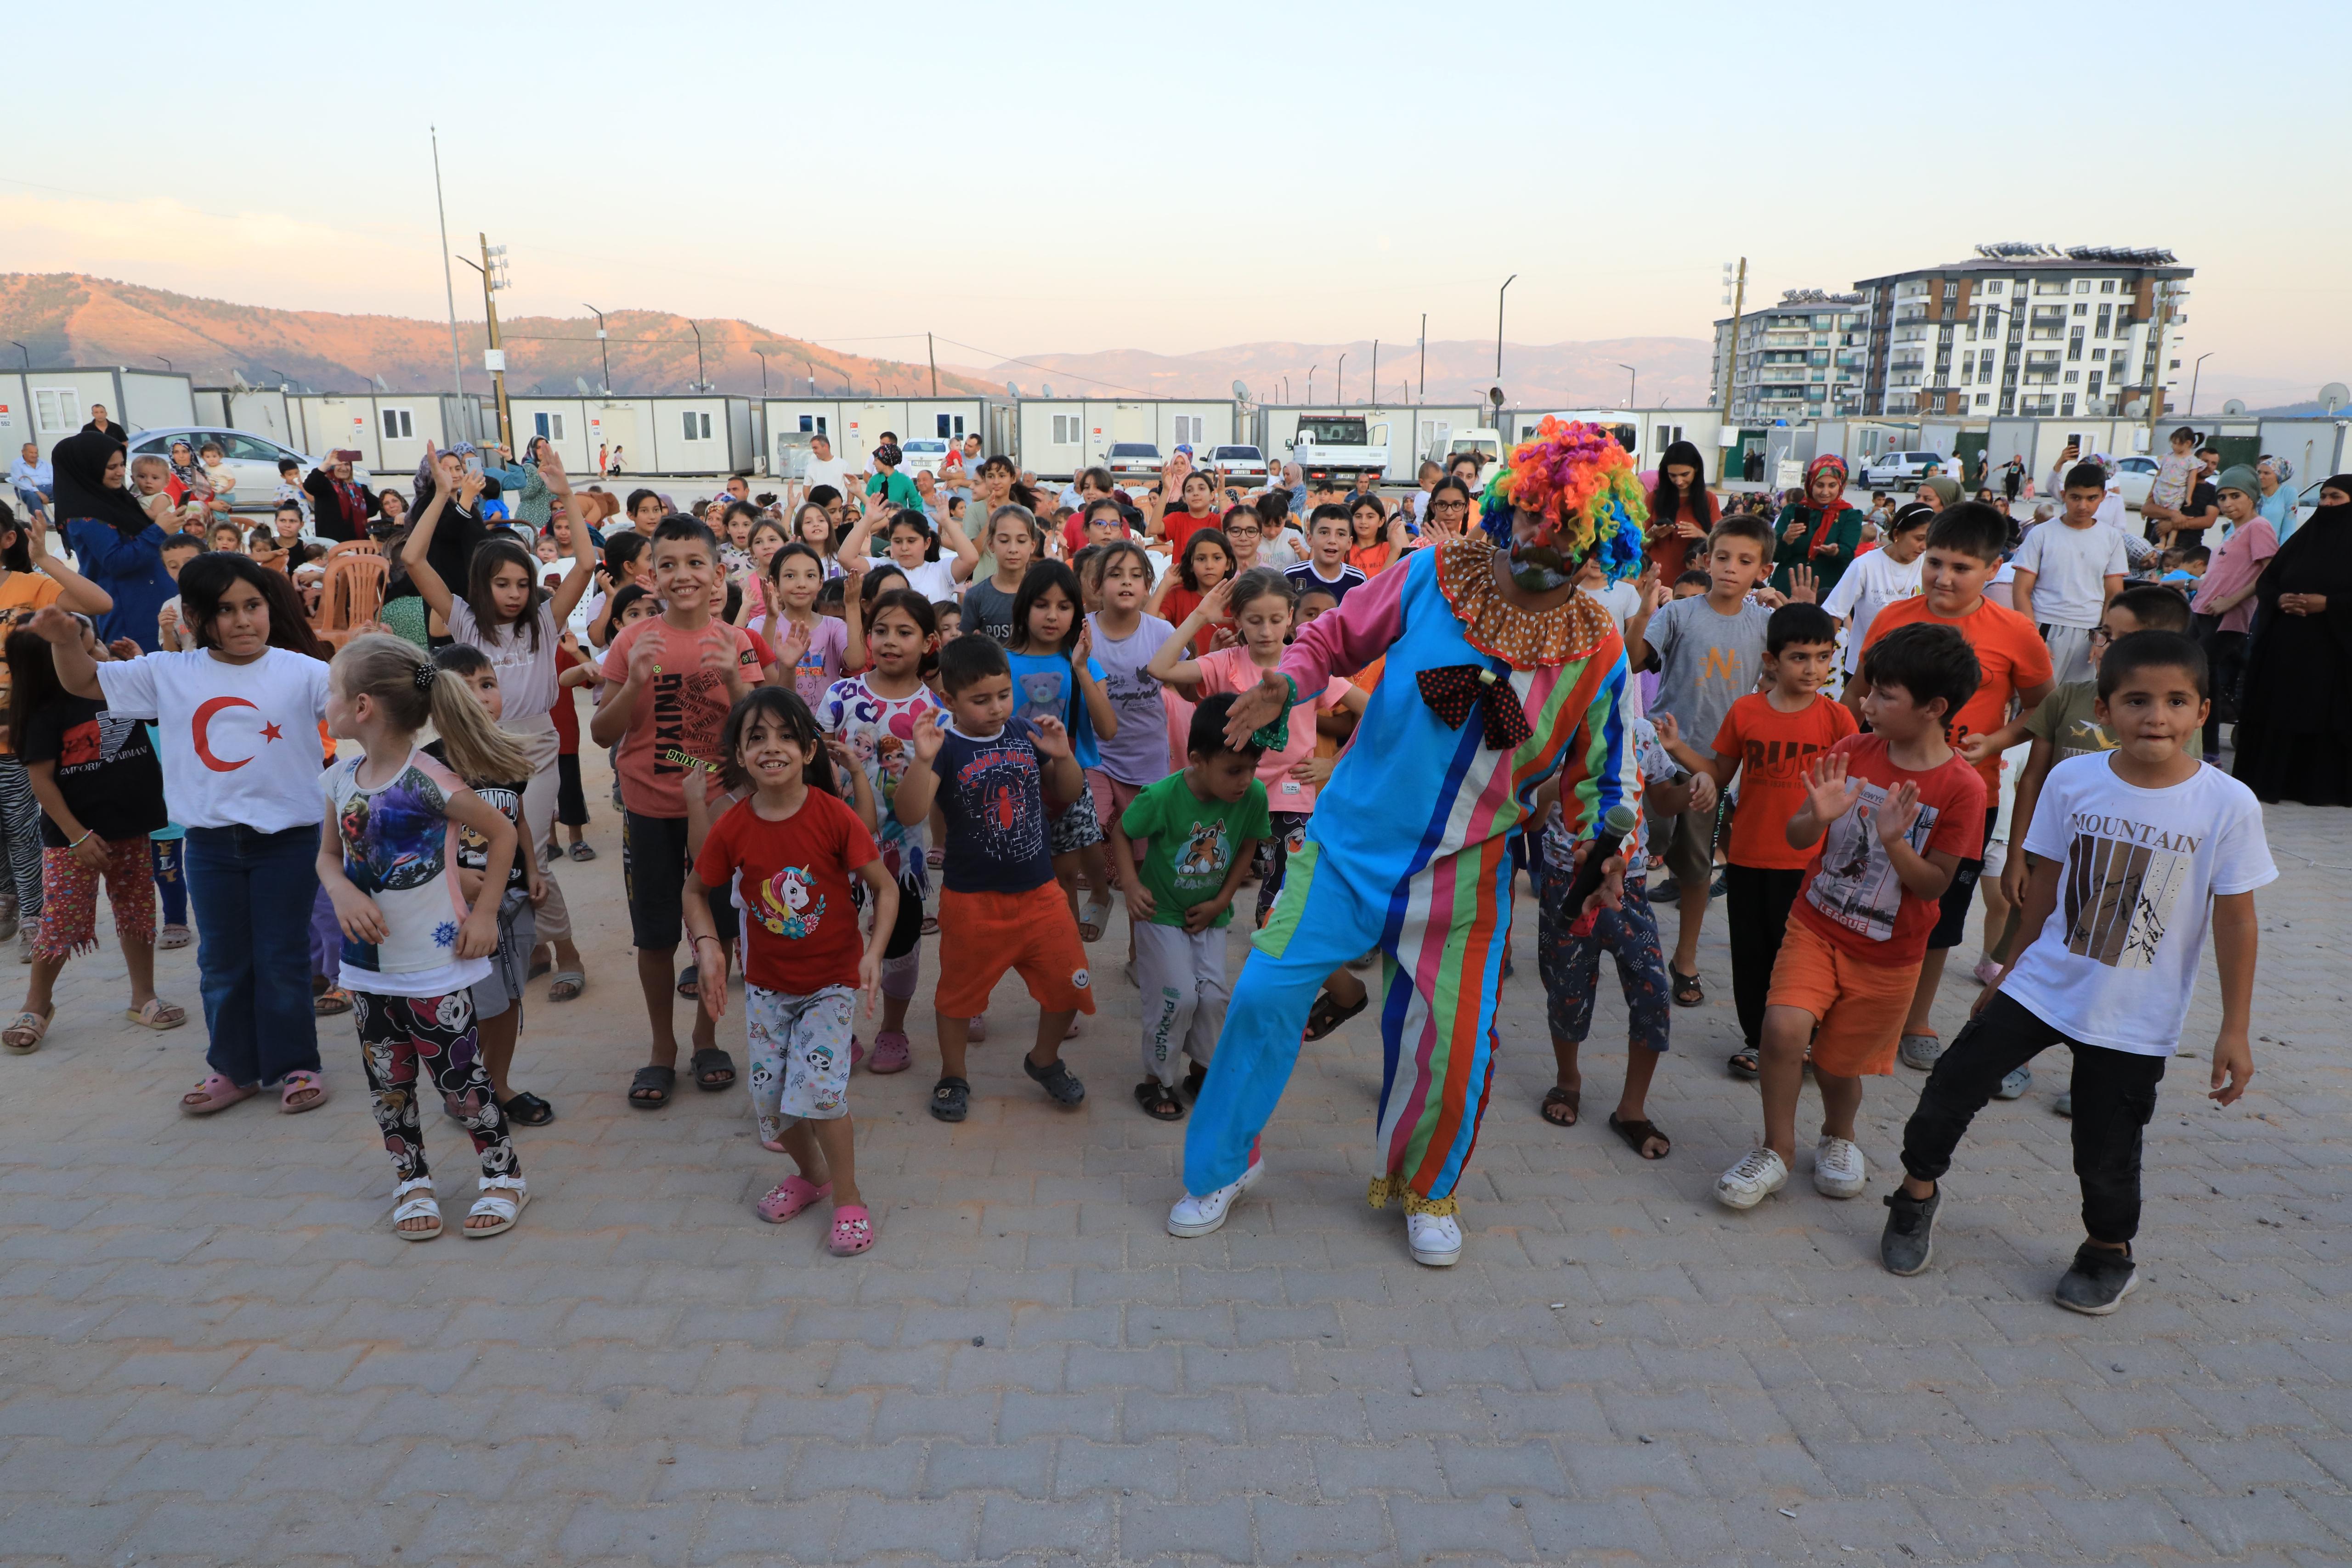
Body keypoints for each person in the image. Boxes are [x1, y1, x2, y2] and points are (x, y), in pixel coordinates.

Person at [1168, 417, 1642, 1268]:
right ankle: (1222, 1165)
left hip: (1467, 880)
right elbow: (1332, 639)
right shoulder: (1431, 573)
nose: (1542, 539)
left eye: (1566, 532)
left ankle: (1426, 1187)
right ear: (1510, 506)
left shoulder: (1597, 646)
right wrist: (1288, 682)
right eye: (1533, 516)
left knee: (1456, 1040)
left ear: (1597, 544)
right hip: (1345, 849)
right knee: (1264, 994)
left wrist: (1612, 852)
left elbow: (1603, 778)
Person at [1883, 631, 2270, 1314]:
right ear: (2104, 708)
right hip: (2041, 983)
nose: (2157, 716)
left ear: (2203, 711)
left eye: (2177, 701)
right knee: (1950, 1086)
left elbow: (2236, 920)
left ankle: (2107, 1251)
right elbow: (2043, 892)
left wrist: (2235, 1028)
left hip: (2134, 1012)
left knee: (2106, 1145)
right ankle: (1915, 1195)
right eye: (2138, 700)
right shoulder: (2073, 779)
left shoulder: (2227, 803)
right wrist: (2004, 972)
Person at [35, 558, 333, 1114]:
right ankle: (234, 1069)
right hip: (212, 848)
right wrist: (63, 640)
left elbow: (362, 712)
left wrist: (381, 663)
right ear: (194, 617)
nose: (244, 621)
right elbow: (83, 679)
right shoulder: (169, 672)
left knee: (282, 956)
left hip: (288, 841)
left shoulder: (304, 671)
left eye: (253, 606)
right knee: (221, 960)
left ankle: (296, 1064)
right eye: (226, 610)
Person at [1716, 622, 1985, 1210]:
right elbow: (1796, 837)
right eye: (1867, 690)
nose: (1865, 704)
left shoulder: (1961, 788)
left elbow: (1935, 884)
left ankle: (1839, 1137)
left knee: (1839, 1066)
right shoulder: (1849, 752)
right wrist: (1815, 815)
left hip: (1888, 955)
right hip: (1814, 926)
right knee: (1782, 1029)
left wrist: (1894, 842)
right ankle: (1776, 1150)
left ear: (1934, 708)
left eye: (1884, 695)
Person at [316, 634, 529, 1239]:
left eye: (332, 691)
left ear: (362, 707)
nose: (323, 702)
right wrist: (342, 890)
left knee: (461, 1081)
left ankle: (504, 1174)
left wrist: (486, 913)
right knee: (389, 1082)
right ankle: (411, 1179)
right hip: (366, 969)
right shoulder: (338, 778)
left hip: (434, 966)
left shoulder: (430, 779)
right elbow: (328, 859)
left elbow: (503, 832)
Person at [684, 687, 895, 1256]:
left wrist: (872, 953)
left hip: (830, 985)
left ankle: (848, 1197)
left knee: (821, 1097)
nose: (770, 747)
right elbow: (695, 891)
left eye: (784, 736)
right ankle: (813, 1177)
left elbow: (884, 886)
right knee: (772, 1102)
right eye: (756, 738)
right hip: (766, 989)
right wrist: (707, 945)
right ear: (739, 754)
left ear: (807, 751)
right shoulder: (732, 826)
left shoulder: (833, 816)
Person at [1851, 503, 2052, 1072]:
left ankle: (1915, 1019)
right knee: (1864, 894)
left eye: (1960, 567)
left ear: (1993, 569)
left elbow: (2043, 709)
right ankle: (1857, 1008)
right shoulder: (1893, 617)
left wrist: (1996, 741)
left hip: (1967, 796)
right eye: (1933, 562)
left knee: (1937, 913)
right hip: (1880, 786)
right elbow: (1857, 696)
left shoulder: (2015, 631)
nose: (1942, 577)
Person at [1965, 585, 2197, 1055]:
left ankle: (2095, 1060)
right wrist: (2016, 858)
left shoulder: (2171, 723)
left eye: (2117, 639)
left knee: (2104, 969)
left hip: (2120, 875)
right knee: (2022, 957)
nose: (2101, 646)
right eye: (2103, 634)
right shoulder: (2070, 695)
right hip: (2046, 863)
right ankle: (2008, 1054)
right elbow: (2032, 779)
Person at [589, 516, 769, 1108]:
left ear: (718, 573)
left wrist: (733, 683)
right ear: (652, 575)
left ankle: (706, 1038)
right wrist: (634, 680)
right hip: (648, 808)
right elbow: (600, 733)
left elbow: (758, 728)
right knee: (656, 935)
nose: (683, 575)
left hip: (720, 811)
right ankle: (662, 1048)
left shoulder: (735, 642)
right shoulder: (631, 641)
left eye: (696, 563)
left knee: (718, 927)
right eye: (668, 565)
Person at [887, 634, 1096, 1123]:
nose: (997, 708)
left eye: (1003, 695)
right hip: (971, 900)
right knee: (958, 998)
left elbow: (1069, 793)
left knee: (1070, 983)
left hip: (1041, 893)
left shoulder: (1025, 731)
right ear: (949, 700)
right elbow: (910, 811)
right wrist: (920, 759)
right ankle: (953, 1075)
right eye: (980, 700)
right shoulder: (943, 745)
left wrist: (1063, 756)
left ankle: (1044, 1060)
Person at [1659, 604, 1859, 1078]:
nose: (1812, 669)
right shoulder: (1745, 712)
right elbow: (1719, 774)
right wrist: (1677, 749)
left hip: (1812, 863)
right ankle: (1758, 1042)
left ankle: (1806, 1041)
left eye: (1822, 657)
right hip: (1748, 858)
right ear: (1771, 661)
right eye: (1798, 658)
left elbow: (1858, 788)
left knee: (1802, 959)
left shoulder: (1837, 720)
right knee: (1751, 955)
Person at [1149, 568, 1364, 932]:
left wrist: (1335, 763)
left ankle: (1274, 943)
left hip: (1291, 791)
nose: (1266, 631)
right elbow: (1159, 668)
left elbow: (1372, 708)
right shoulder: (1225, 663)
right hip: (1231, 793)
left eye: (1276, 620)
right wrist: (1201, 614)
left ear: (1291, 618)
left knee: (1282, 888)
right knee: (1210, 871)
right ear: (1238, 620)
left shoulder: (1308, 667)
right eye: (1255, 620)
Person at [0, 620, 178, 1053]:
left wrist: (134, 663)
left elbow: (162, 706)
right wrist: (78, 837)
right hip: (73, 840)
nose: (98, 652)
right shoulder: (46, 711)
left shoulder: (121, 692)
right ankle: (36, 1005)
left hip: (130, 827)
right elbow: (41, 781)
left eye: (94, 643)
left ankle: (144, 997)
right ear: (57, 661)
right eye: (87, 647)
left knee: (137, 910)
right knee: (61, 920)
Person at [1633, 513, 1779, 1008]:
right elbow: (1633, 660)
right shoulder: (1678, 615)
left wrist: (1798, 615)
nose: (1730, 569)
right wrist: (1639, 608)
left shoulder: (1763, 624)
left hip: (1714, 768)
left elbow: (1790, 679)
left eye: (1744, 561)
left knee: (1696, 870)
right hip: (1658, 754)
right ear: (1704, 560)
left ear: (1763, 569)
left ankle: (1685, 959)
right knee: (1636, 853)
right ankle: (1625, 944)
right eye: (1721, 558)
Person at [1533, 708, 1693, 1157]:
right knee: (1565, 985)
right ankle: (1567, 1081)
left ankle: (1631, 1108)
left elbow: (1662, 803)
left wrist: (1697, 791)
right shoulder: (1550, 727)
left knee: (1652, 990)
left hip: (1630, 883)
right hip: (1565, 878)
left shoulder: (1639, 734)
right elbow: (1527, 816)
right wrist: (1555, 781)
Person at [1108, 692, 1268, 1122]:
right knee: (1176, 998)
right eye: (1235, 770)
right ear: (1197, 760)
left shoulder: (1252, 796)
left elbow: (1247, 846)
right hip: (1160, 913)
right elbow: (1122, 832)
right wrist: (1128, 884)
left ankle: (1201, 1071)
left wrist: (1221, 901)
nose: (1246, 780)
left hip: (1210, 916)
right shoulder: (1161, 796)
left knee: (1214, 997)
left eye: (1253, 768)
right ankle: (1155, 1078)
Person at [815, 589, 947, 1077]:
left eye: (905, 632)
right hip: (836, 849)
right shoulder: (841, 695)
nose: (890, 642)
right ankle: (837, 1028)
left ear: (929, 641)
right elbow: (816, 764)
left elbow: (925, 801)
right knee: (835, 937)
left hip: (904, 857)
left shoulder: (937, 714)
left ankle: (893, 1028)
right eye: (881, 631)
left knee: (900, 941)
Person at [424, 645, 554, 1125]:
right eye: (465, 689)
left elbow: (513, 816)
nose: (481, 698)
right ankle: (465, 1089)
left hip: (515, 898)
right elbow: (417, 839)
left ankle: (498, 1085)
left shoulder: (507, 754)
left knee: (511, 997)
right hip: (460, 911)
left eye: (487, 684)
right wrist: (454, 877)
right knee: (473, 1004)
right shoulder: (427, 766)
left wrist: (535, 868)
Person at [0, 503, 114, 957]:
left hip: (18, 731)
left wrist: (45, 558)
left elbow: (99, 604)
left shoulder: (30, 585)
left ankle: (34, 916)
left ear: (8, 539)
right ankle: (9, 898)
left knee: (24, 827)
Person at [1006, 560, 1119, 943]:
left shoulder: (1083, 666)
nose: (1052, 616)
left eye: (1064, 606)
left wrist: (1083, 670)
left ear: (1078, 613)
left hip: (1068, 782)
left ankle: (1069, 960)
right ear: (1024, 608)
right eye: (1042, 605)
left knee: (1066, 877)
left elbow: (1108, 729)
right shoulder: (999, 662)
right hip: (1014, 787)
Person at [2231, 477, 2352, 805]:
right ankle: (2271, 780)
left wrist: (2329, 604)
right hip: (2286, 648)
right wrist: (2281, 599)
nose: (2327, 504)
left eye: (2336, 497)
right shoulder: (2303, 540)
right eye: (2324, 496)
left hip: (2334, 652)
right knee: (2281, 709)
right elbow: (2268, 580)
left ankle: (2317, 786)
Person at [52, 430, 172, 654]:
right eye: (111, 468)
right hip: (132, 616)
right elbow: (116, 562)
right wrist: (160, 531)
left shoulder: (115, 500)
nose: (120, 473)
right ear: (89, 468)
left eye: (121, 465)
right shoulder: (85, 515)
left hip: (157, 606)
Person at [2187, 468, 2276, 765]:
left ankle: (2209, 752)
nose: (2227, 503)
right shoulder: (2232, 531)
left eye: (2235, 496)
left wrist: (2232, 602)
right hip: (2202, 612)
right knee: (2191, 673)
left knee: (2201, 676)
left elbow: (2269, 573)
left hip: (2227, 619)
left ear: (2252, 497)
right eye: (2222, 497)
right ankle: (2198, 747)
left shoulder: (2259, 526)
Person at [2011, 462, 2129, 685]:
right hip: (2046, 626)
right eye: (2076, 497)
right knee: (2038, 704)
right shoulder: (2042, 534)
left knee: (2074, 705)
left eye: (2091, 498)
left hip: (2091, 633)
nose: (2083, 505)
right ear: (2064, 495)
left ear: (2103, 496)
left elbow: (2114, 593)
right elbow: (2021, 590)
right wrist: (2032, 637)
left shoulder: (2112, 538)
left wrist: (2104, 637)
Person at [1822, 502, 1929, 685]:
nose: (1924, 546)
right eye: (1919, 538)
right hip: (1863, 669)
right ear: (1897, 534)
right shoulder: (1865, 565)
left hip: (1911, 670)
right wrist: (1822, 660)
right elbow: (1834, 613)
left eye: (1930, 540)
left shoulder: (1929, 565)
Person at [1771, 455, 1862, 600]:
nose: (1825, 492)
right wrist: (1786, 539)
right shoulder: (1793, 511)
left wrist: (1836, 551)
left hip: (1827, 590)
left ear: (1841, 485)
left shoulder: (1849, 516)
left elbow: (1849, 555)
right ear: (1810, 484)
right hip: (1787, 587)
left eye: (1832, 485)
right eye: (1820, 485)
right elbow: (1774, 555)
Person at [963, 504, 1041, 646]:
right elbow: (966, 651)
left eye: (1021, 541)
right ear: (991, 544)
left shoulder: (1043, 594)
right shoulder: (976, 596)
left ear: (1033, 545)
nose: (1013, 549)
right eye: (1004, 541)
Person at [1646, 440, 1717, 586]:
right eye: (1673, 475)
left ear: (1696, 468)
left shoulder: (1709, 499)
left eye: (1685, 474)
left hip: (1695, 585)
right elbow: (1637, 546)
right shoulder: (1653, 498)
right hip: (1657, 581)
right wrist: (1652, 534)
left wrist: (1701, 534)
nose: (1679, 481)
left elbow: (1722, 543)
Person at [1283, 504, 1369, 604]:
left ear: (1349, 543)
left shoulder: (1358, 580)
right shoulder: (1291, 575)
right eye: (1324, 533)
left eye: (1341, 534)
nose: (1332, 541)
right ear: (1310, 539)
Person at [303, 453, 376, 545]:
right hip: (331, 544)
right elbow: (309, 485)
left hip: (357, 544)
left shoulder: (358, 488)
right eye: (338, 464)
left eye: (347, 464)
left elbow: (376, 505)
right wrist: (326, 464)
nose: (344, 468)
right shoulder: (324, 485)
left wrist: (361, 513)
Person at [799, 433, 855, 500]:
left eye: (816, 448)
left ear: (826, 447)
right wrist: (811, 505)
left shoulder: (843, 465)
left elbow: (851, 487)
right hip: (819, 508)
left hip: (839, 508)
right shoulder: (811, 466)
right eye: (813, 449)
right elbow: (806, 488)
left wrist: (849, 504)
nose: (814, 451)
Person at [11, 443, 53, 522]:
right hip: (29, 490)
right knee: (32, 497)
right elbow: (19, 483)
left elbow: (53, 476)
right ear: (23, 452)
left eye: (36, 453)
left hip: (48, 488)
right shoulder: (17, 464)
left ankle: (67, 521)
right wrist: (38, 492)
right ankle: (45, 523)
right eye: (31, 453)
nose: (34, 455)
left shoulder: (43, 463)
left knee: (66, 493)